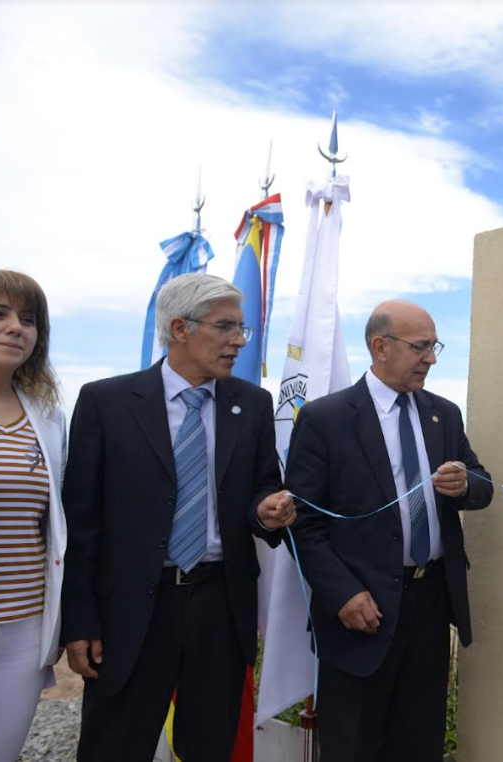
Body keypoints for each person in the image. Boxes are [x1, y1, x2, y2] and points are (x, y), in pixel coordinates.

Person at [60, 273, 296, 761]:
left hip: (219, 607)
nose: (238, 341)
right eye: (226, 327)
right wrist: (80, 619)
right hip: (130, 612)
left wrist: (267, 511)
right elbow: (81, 522)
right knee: (115, 747)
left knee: (209, 747)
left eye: (242, 329)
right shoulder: (106, 402)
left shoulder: (251, 404)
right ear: (180, 328)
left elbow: (262, 487)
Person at [285, 299, 493, 762]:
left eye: (434, 346)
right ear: (380, 347)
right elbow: (303, 522)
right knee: (354, 745)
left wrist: (464, 484)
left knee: (419, 743)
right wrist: (342, 595)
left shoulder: (443, 413)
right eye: (421, 347)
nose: (432, 358)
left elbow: (482, 484)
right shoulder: (325, 419)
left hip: (431, 604)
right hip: (361, 611)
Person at [0, 270, 66, 762]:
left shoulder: (49, 417)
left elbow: (55, 524)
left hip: (22, 629)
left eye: (29, 319)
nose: (17, 327)